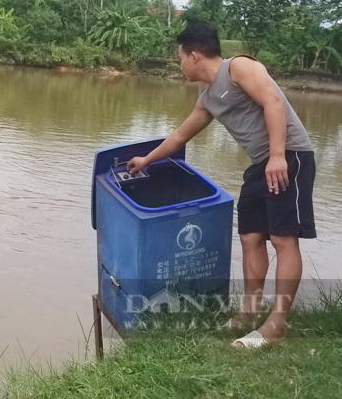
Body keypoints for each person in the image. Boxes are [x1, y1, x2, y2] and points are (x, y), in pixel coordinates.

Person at [126, 21, 316, 349]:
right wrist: (147, 160)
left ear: (194, 55)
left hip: (288, 155)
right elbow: (180, 136)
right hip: (260, 163)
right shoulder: (209, 98)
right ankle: (248, 312)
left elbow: (272, 102)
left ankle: (277, 323)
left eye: (180, 57)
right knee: (250, 237)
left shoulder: (240, 67)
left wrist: (277, 156)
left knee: (283, 240)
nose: (179, 64)